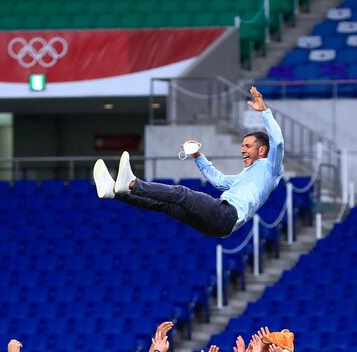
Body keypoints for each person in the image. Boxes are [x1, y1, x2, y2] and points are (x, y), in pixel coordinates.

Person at [92, 86, 284, 239]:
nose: (242, 149)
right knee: (166, 204)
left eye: (247, 146)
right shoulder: (244, 176)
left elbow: (279, 142)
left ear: (262, 150)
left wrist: (265, 112)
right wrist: (198, 156)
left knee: (181, 193)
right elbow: (217, 180)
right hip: (219, 227)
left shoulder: (271, 169)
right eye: (242, 145)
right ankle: (115, 192)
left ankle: (133, 183)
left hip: (225, 215)